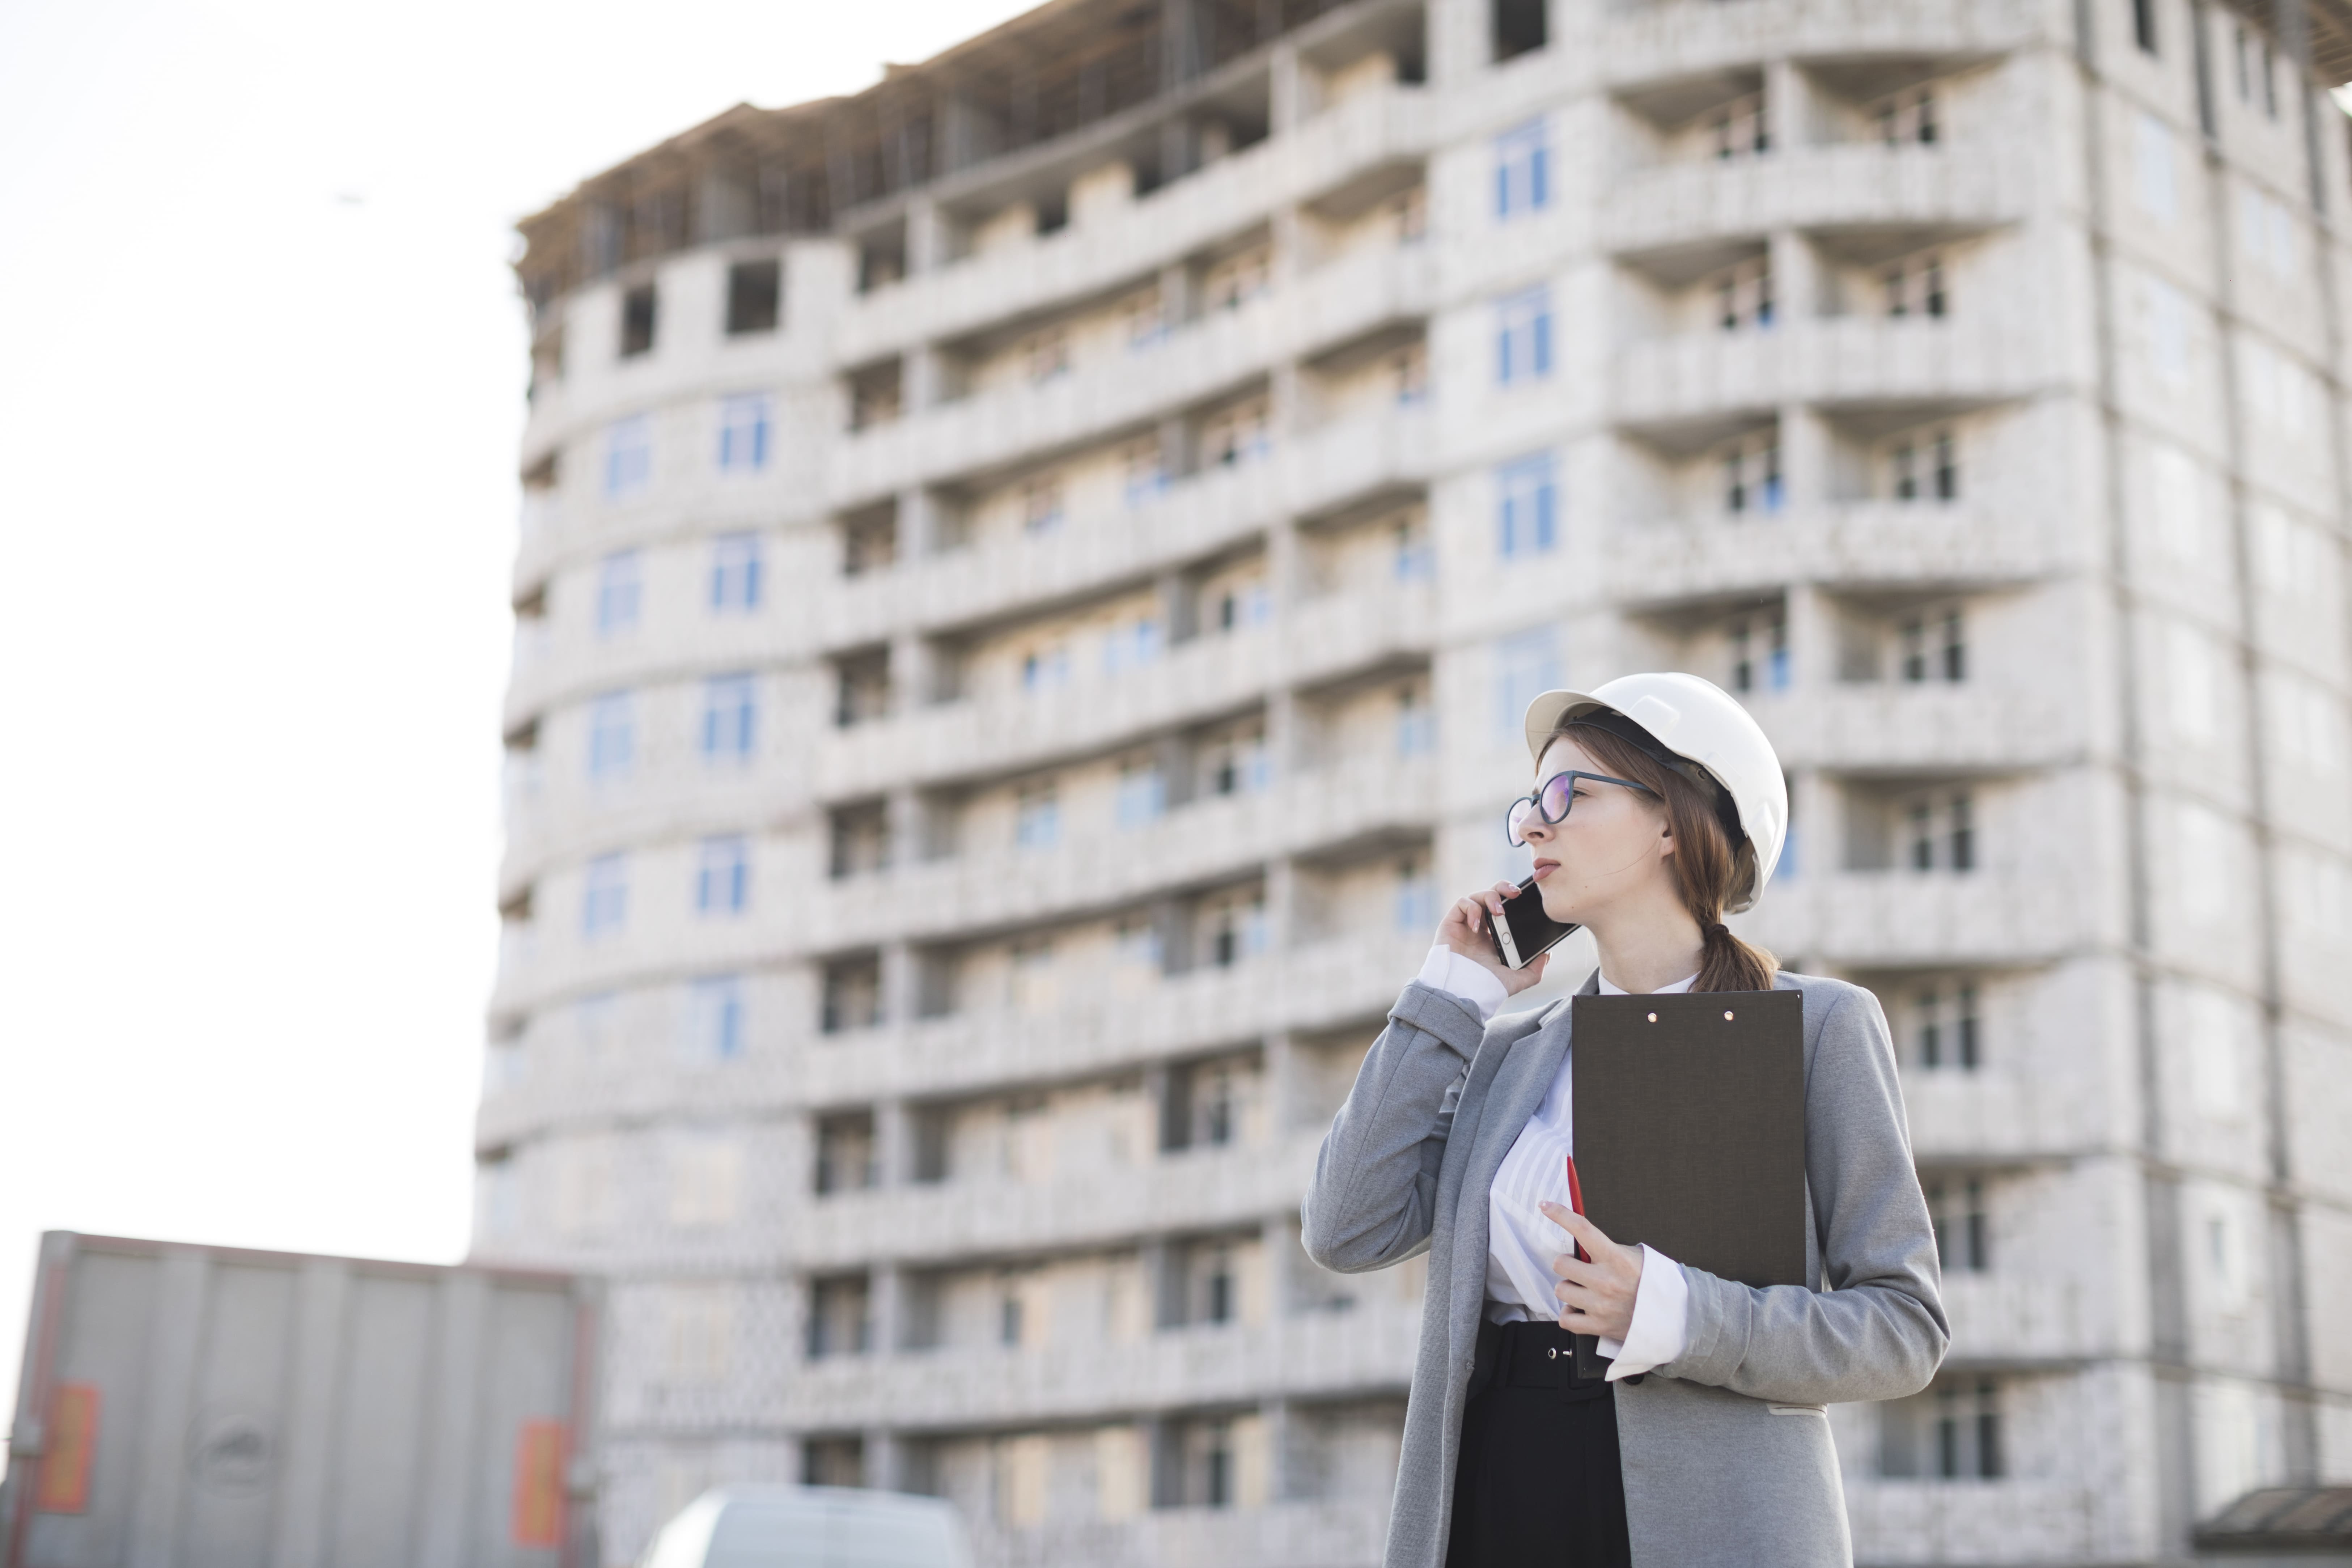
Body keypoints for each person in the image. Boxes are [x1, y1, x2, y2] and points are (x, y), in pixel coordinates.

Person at [1301, 673, 1948, 1568]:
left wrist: (1678, 1311)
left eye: (1566, 793)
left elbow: (1901, 1331)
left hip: (1714, 1511)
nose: (1532, 824)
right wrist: (1451, 997)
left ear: (1672, 821)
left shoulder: (1817, 1029)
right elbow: (1344, 1228)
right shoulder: (1508, 1055)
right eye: (1528, 802)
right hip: (1501, 1486)